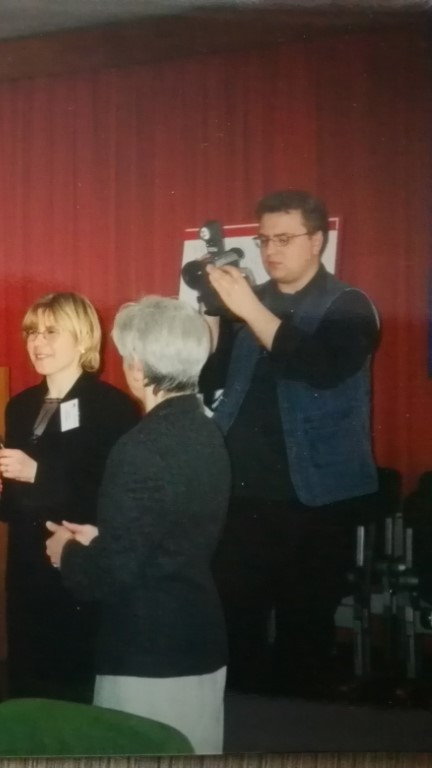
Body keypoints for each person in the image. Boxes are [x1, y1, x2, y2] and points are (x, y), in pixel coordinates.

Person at [201, 189, 379, 697]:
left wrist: (248, 308)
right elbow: (212, 380)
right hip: (242, 495)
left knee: (305, 633)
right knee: (236, 627)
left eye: (284, 239)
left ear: (317, 241)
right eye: (264, 240)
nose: (270, 250)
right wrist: (213, 313)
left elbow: (317, 367)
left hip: (314, 501)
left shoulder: (349, 305)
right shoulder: (252, 302)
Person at [46, 296, 230, 754]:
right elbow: (168, 533)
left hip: (148, 650)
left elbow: (110, 574)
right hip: (198, 635)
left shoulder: (140, 447)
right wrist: (103, 538)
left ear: (138, 367)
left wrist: (67, 552)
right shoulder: (207, 430)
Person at [0, 292, 139, 701]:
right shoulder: (20, 406)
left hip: (77, 565)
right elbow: (13, 507)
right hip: (26, 570)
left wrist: (38, 473)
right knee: (27, 687)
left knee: (72, 692)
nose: (37, 342)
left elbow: (112, 497)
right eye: (32, 332)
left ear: (83, 339)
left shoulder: (112, 407)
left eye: (51, 332)